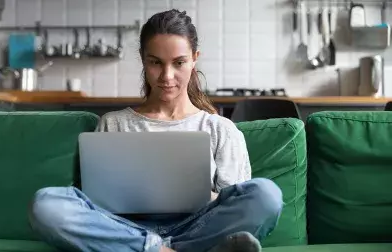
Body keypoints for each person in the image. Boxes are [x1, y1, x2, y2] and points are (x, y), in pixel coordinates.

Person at [29, 9, 283, 252]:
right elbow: (96, 204)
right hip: (126, 228)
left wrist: (199, 194)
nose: (167, 76)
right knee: (47, 204)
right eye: (155, 63)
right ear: (143, 59)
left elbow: (235, 203)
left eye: (179, 62)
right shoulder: (113, 124)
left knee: (266, 195)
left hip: (197, 227)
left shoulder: (220, 129)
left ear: (194, 59)